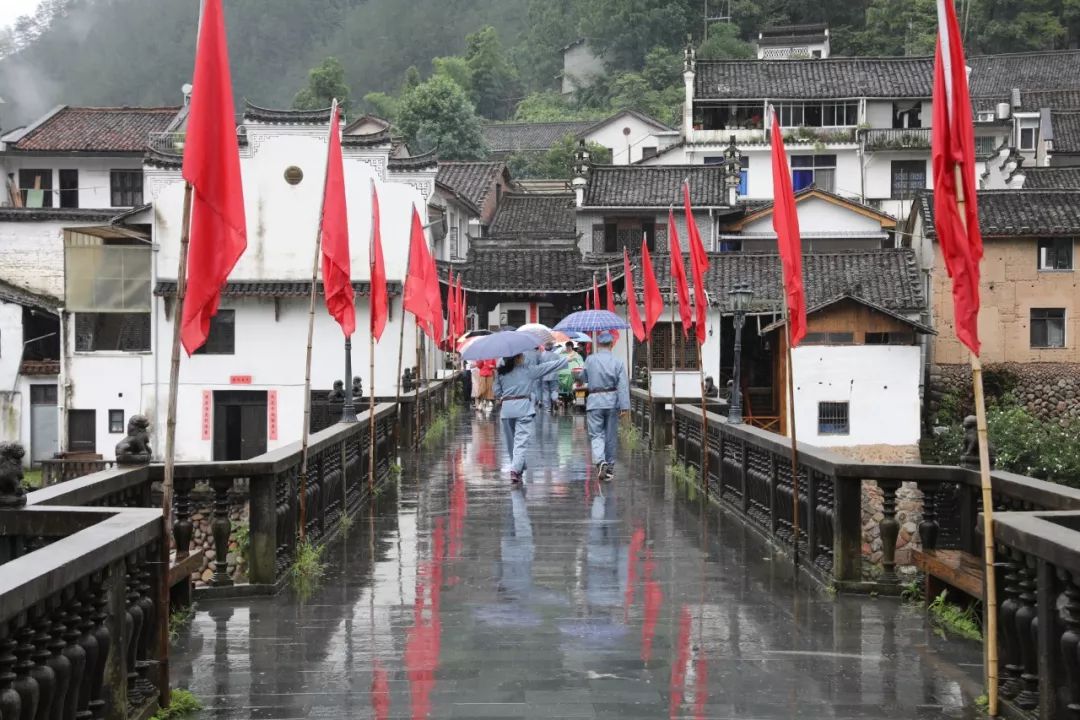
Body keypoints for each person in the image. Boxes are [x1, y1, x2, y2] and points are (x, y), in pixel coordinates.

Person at [495, 351, 568, 483]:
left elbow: (497, 392)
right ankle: (515, 470)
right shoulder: (528, 370)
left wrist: (503, 395)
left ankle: (518, 466)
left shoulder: (500, 371)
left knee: (512, 442)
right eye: (522, 355)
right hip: (523, 408)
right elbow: (547, 367)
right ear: (517, 358)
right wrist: (565, 360)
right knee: (520, 442)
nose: (524, 357)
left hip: (507, 410)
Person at [580, 331, 630, 482]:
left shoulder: (590, 360)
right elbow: (623, 386)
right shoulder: (618, 362)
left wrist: (579, 376)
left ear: (598, 344)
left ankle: (600, 461)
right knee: (610, 436)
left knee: (596, 435)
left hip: (595, 401)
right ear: (611, 344)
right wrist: (624, 407)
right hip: (612, 401)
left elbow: (583, 378)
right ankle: (609, 468)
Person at [538, 342, 562, 413]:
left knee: (545, 391)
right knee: (554, 390)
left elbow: (539, 366)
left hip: (544, 375)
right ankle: (555, 399)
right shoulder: (556, 355)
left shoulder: (541, 355)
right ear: (552, 347)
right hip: (554, 375)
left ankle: (547, 407)